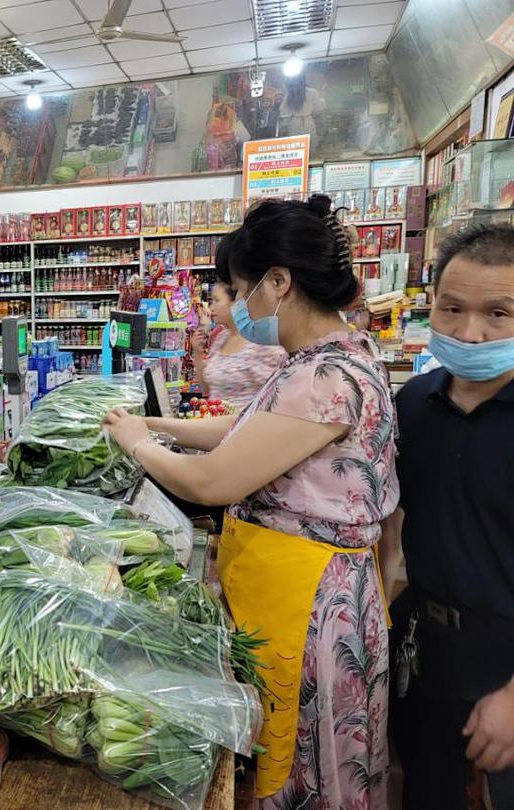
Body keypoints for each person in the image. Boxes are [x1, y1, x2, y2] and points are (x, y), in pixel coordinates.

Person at [103, 195, 398, 807]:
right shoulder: (331, 356)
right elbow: (246, 429)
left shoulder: (323, 377)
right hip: (300, 586)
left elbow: (213, 483)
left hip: (309, 604)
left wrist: (139, 445)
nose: (236, 305)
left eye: (240, 289)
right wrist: (159, 427)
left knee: (302, 766)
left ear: (279, 282)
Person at [383, 224, 514, 808]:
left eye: (498, 314)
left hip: (504, 654)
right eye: (452, 308)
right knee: (425, 787)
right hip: (423, 644)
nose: (470, 332)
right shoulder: (414, 402)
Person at [191, 270, 285, 411]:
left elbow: (278, 397)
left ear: (236, 302)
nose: (211, 308)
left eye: (217, 300)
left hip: (247, 428)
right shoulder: (221, 338)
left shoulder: (262, 342)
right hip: (217, 427)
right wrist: (197, 353)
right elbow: (208, 388)